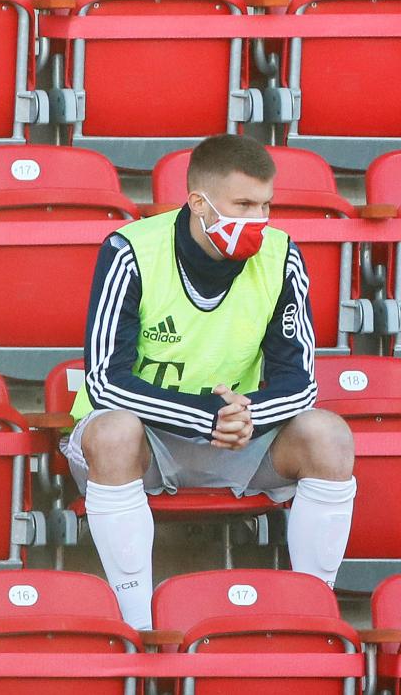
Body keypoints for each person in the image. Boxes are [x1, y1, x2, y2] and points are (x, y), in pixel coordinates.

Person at [66, 133, 356, 628]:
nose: (258, 221)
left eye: (265, 206)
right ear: (199, 202)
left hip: (236, 443)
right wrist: (207, 419)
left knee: (328, 433)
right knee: (113, 429)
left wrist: (248, 417)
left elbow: (300, 380)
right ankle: (138, 627)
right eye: (243, 204)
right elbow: (105, 381)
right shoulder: (130, 250)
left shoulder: (281, 256)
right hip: (144, 446)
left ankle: (316, 615)